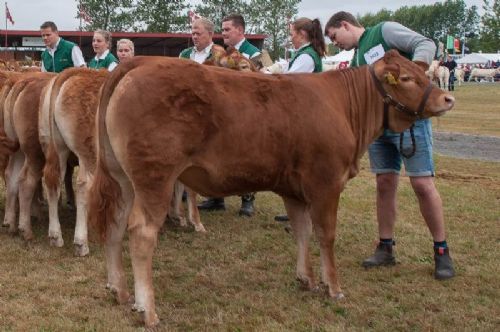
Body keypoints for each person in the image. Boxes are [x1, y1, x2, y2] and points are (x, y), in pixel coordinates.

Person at [324, 11, 455, 280]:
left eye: (334, 36)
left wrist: (414, 72)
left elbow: (426, 43)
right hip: (380, 128)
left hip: (411, 121)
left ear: (345, 25)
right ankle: (385, 247)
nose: (335, 43)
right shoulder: (358, 57)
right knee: (384, 183)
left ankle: (441, 251)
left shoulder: (384, 31)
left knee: (422, 183)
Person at [197, 14, 261, 217]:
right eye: (222, 30)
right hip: (225, 110)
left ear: (240, 31)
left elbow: (265, 77)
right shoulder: (221, 52)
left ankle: (247, 199)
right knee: (220, 154)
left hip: (247, 111)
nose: (222, 33)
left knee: (247, 156)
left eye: (227, 30)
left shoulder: (256, 52)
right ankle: (217, 197)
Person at [274, 17, 325, 222]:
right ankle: (300, 210)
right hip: (304, 116)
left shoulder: (307, 56)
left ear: (302, 34)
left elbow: (288, 85)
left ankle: (308, 211)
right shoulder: (304, 54)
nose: (291, 37)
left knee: (305, 167)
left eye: (292, 33)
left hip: (306, 118)